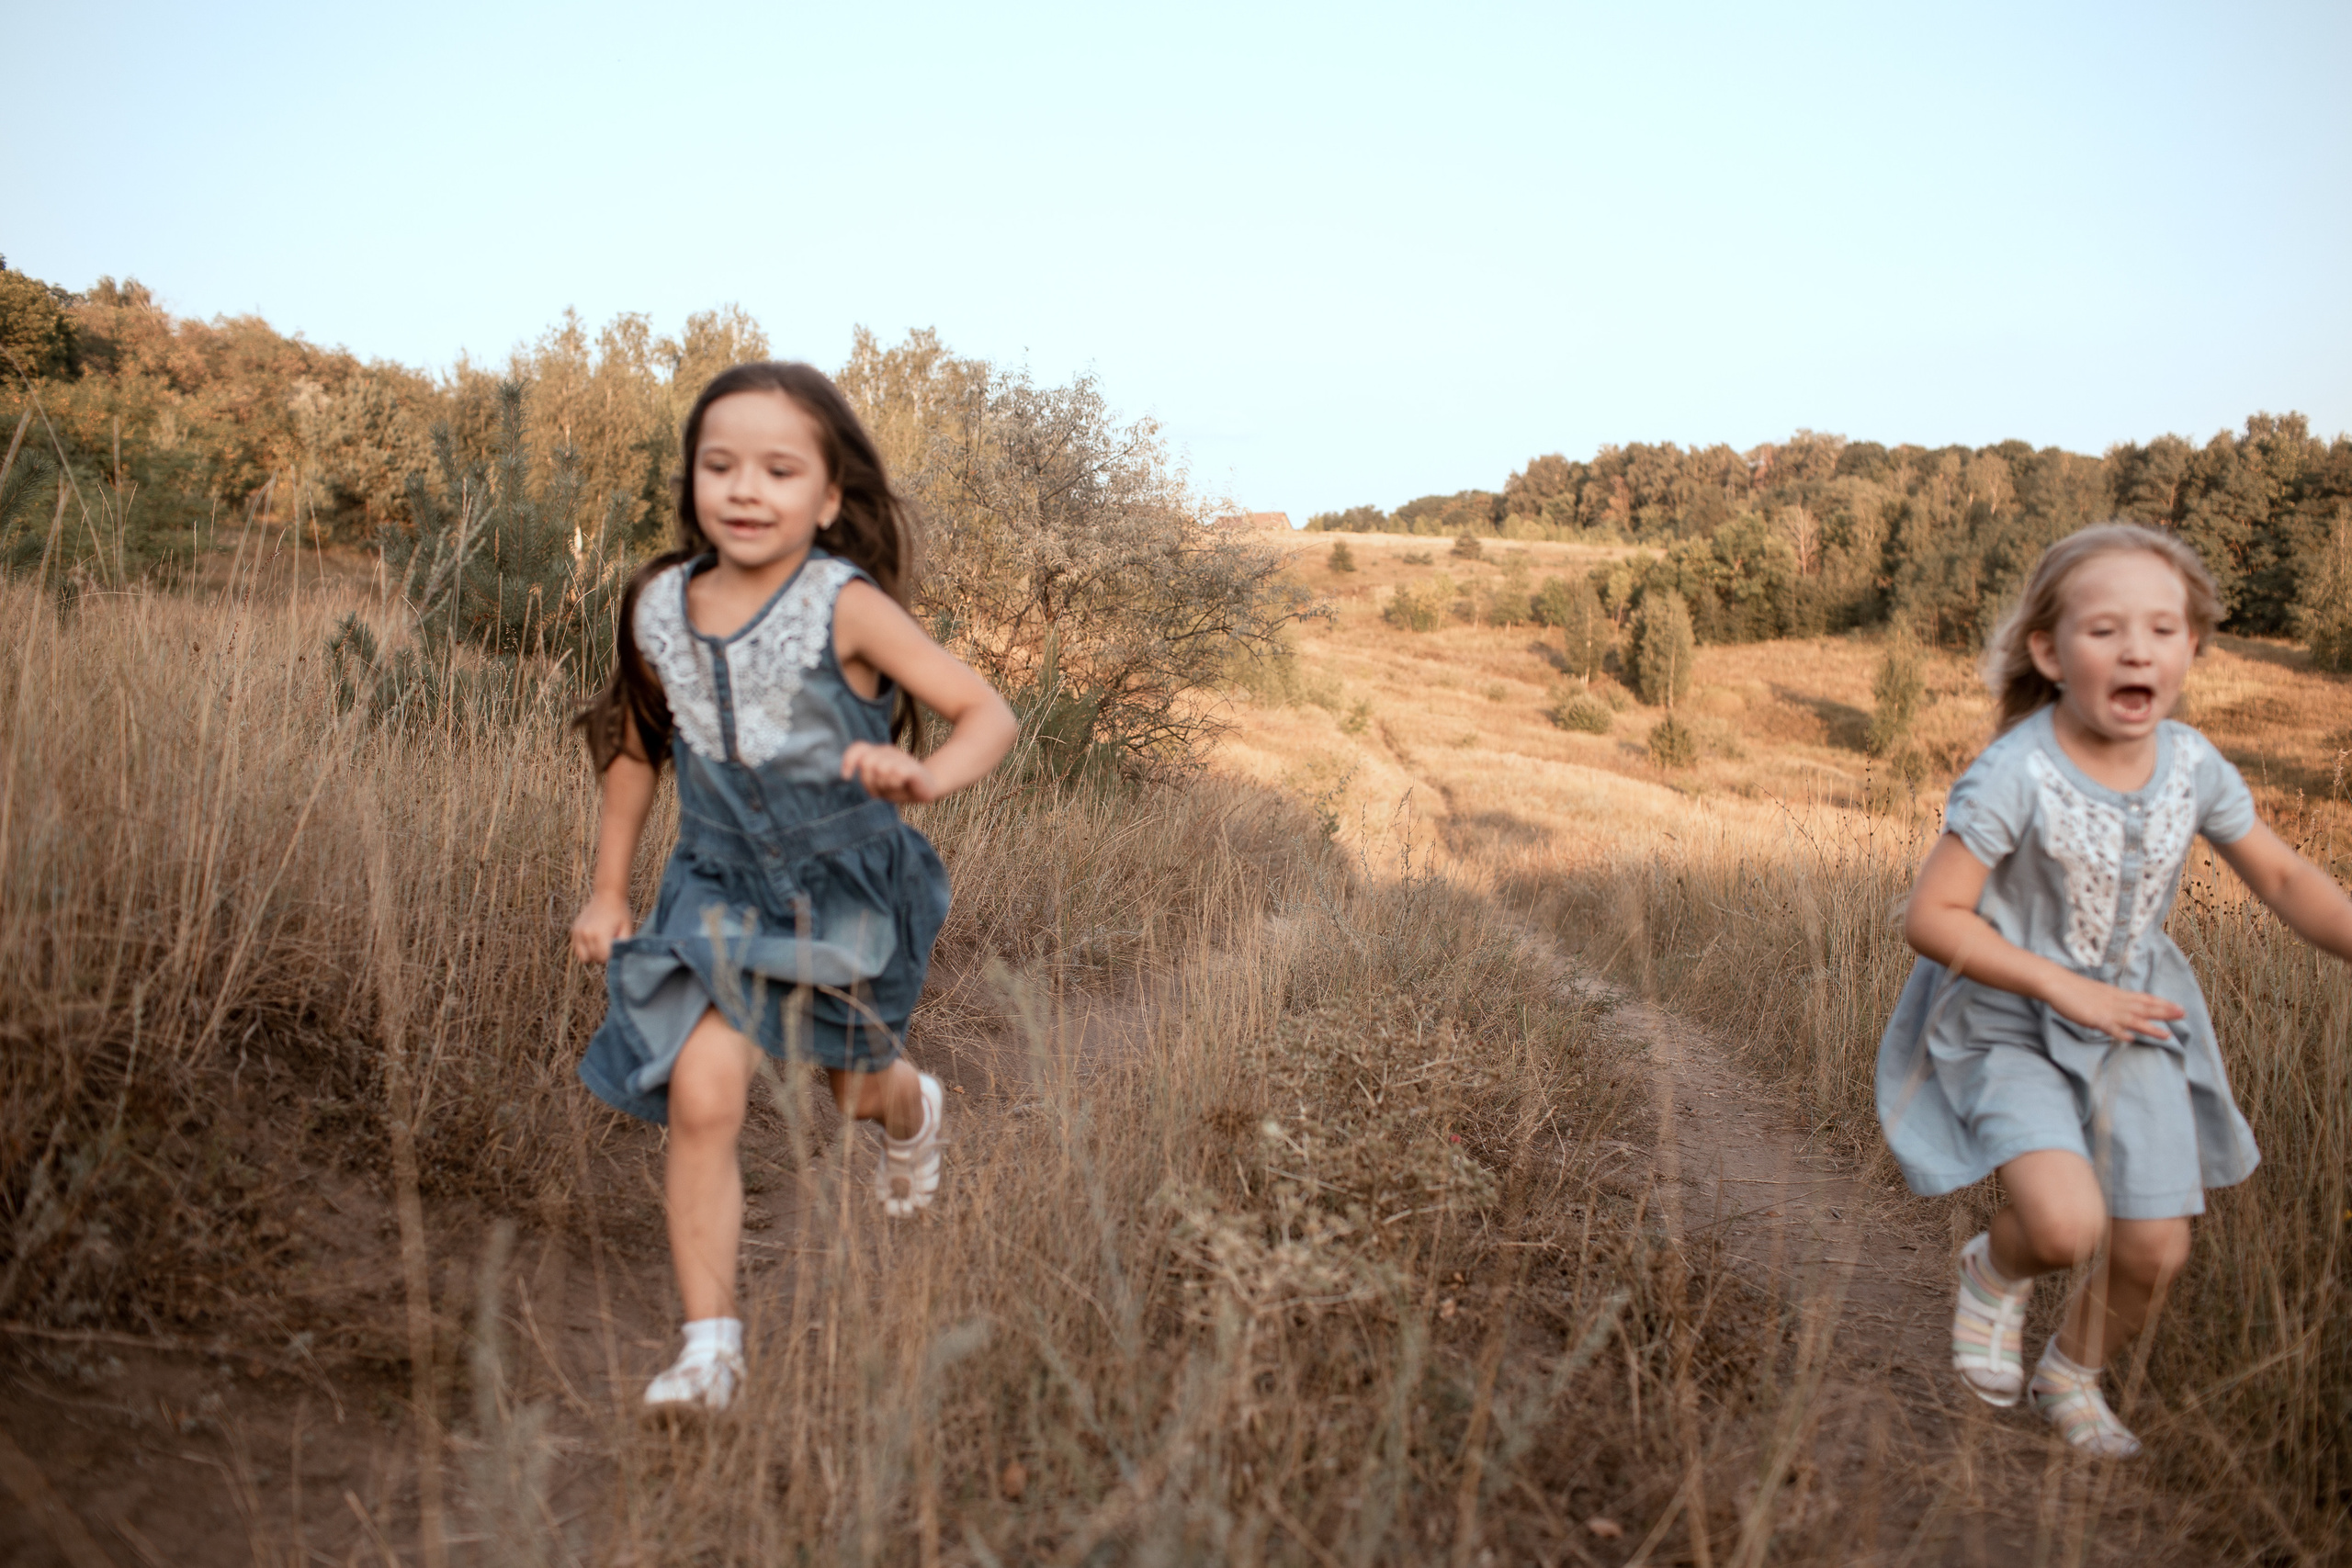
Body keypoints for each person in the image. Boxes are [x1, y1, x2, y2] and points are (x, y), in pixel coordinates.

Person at [568, 361, 1016, 1414]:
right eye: (718, 464)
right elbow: (635, 748)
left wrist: (927, 778)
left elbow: (984, 712)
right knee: (704, 1090)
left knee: (855, 1089)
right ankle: (709, 1350)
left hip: (844, 892)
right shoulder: (659, 606)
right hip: (715, 892)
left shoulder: (844, 606)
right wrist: (607, 890)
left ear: (826, 496)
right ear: (690, 482)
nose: (744, 489)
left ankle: (915, 1111)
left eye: (778, 468)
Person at [1876, 523, 2352, 1458]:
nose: (2137, 647)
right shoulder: (2016, 772)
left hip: (2135, 1021)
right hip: (2009, 1017)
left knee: (2152, 1251)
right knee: (2062, 1226)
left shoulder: (2193, 765)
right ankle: (1992, 1270)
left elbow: (2287, 880)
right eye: (2105, 630)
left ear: (2192, 648)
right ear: (2050, 654)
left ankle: (2070, 1374)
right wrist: (2062, 988)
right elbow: (1931, 916)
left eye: (2163, 629)